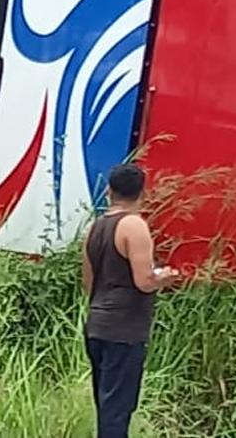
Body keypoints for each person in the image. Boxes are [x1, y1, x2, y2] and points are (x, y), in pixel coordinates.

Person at [82, 163, 180, 438]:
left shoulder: (94, 228)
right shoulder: (134, 226)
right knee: (118, 410)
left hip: (97, 325)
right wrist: (165, 277)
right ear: (142, 194)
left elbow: (89, 283)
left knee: (106, 405)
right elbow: (144, 281)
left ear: (109, 191)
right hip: (123, 330)